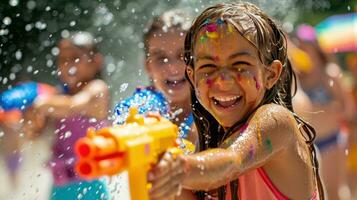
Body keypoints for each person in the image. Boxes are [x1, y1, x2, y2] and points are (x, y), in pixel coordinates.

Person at [147, 2, 324, 200]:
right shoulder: (208, 143)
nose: (223, 80)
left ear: (271, 74)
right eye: (208, 67)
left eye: (240, 65)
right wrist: (156, 166)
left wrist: (178, 169)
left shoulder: (275, 122)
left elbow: (233, 161)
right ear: (192, 75)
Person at [23, 31, 110, 200]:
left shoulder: (97, 89)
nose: (68, 65)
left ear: (96, 62)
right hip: (60, 185)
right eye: (62, 60)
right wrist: (31, 120)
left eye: (75, 58)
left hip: (91, 183)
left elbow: (75, 106)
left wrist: (42, 104)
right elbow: (33, 133)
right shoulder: (57, 96)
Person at [114, 9, 197, 146]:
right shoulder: (145, 103)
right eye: (161, 58)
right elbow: (130, 112)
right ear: (148, 66)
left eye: (183, 56)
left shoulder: (213, 109)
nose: (173, 68)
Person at [295, 24, 352, 200]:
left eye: (305, 47)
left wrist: (322, 108)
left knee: (334, 192)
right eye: (299, 48)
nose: (302, 51)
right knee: (319, 195)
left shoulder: (330, 74)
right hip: (309, 145)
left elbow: (348, 109)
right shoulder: (299, 76)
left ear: (315, 47)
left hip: (331, 141)